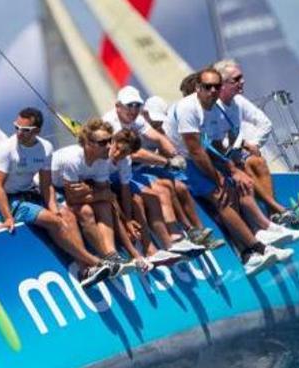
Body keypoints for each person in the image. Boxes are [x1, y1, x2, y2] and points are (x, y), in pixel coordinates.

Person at [164, 68, 293, 275]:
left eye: (217, 86)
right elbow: (196, 151)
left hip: (198, 154)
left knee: (236, 185)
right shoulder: (189, 108)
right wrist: (218, 178)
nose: (213, 91)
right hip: (179, 158)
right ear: (198, 88)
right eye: (208, 87)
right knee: (220, 195)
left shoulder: (215, 109)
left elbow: (214, 144)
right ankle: (255, 250)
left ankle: (260, 235)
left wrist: (232, 169)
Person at [0, 107, 116, 288]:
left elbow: (45, 184)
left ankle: (85, 271)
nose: (19, 132)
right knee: (54, 221)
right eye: (16, 127)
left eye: (25, 130)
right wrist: (8, 217)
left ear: (37, 131)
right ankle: (97, 262)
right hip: (8, 201)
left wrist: (54, 208)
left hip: (30, 195)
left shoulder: (46, 148)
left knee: (66, 215)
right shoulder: (6, 149)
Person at [103, 87, 211, 256]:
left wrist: (175, 156)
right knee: (153, 195)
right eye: (129, 105)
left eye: (137, 105)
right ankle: (166, 244)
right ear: (118, 106)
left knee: (168, 186)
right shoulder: (111, 123)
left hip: (125, 169)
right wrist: (167, 162)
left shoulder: (135, 118)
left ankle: (179, 236)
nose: (133, 109)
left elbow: (159, 138)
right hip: (109, 174)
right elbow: (131, 152)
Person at [214, 59, 299, 227]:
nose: (243, 81)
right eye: (237, 79)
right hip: (218, 156)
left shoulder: (238, 101)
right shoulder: (213, 106)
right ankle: (277, 209)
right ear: (223, 84)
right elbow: (214, 137)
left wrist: (253, 144)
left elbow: (265, 123)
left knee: (258, 161)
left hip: (236, 153)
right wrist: (243, 144)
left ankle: (274, 216)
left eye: (242, 77)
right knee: (245, 166)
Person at [52, 118, 141, 274]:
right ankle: (96, 262)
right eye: (102, 143)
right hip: (51, 187)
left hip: (78, 187)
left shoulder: (102, 159)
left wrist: (125, 218)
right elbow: (74, 199)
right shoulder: (72, 159)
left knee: (105, 205)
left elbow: (107, 196)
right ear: (88, 144)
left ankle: (112, 255)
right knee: (85, 211)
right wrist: (100, 194)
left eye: (109, 140)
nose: (109, 146)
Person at [141, 95, 225, 250]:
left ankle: (201, 233)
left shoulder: (160, 128)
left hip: (152, 169)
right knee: (173, 186)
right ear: (144, 113)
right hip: (138, 171)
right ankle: (189, 229)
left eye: (159, 120)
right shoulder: (138, 127)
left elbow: (168, 149)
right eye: (153, 119)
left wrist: (173, 157)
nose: (156, 123)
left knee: (182, 187)